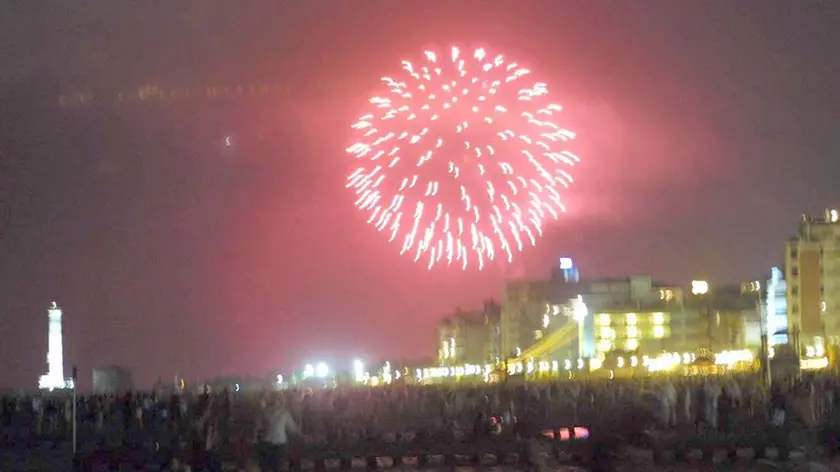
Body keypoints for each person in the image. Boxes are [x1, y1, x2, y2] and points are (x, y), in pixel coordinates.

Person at [255, 395, 300, 472]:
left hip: (276, 445)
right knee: (272, 468)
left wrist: (300, 432)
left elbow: (292, 427)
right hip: (270, 445)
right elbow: (257, 427)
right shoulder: (266, 412)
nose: (275, 402)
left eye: (277, 400)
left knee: (273, 467)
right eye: (274, 400)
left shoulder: (284, 413)